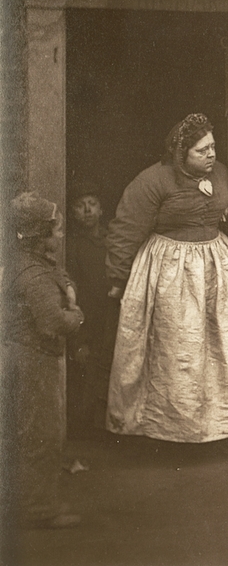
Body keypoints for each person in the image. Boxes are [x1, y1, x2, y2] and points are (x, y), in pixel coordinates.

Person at [105, 113, 228, 443]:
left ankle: (213, 427)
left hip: (214, 267)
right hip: (170, 269)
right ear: (180, 153)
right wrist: (118, 277)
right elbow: (126, 229)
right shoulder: (153, 181)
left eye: (212, 147)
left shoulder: (223, 172)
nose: (211, 155)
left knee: (216, 346)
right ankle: (167, 429)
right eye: (201, 151)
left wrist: (219, 212)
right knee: (175, 349)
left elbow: (222, 205)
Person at [4, 192, 84, 528]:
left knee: (32, 432)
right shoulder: (34, 277)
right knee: (42, 435)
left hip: (28, 355)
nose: (61, 235)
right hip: (34, 360)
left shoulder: (29, 262)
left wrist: (66, 285)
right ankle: (39, 509)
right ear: (41, 235)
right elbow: (53, 323)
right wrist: (76, 314)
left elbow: (58, 274)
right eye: (57, 231)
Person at [65, 181, 113, 436]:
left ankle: (107, 429)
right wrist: (78, 339)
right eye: (80, 206)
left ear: (101, 209)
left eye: (92, 204)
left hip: (110, 315)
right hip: (86, 317)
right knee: (85, 371)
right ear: (71, 213)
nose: (87, 211)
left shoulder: (112, 240)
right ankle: (86, 433)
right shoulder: (71, 246)